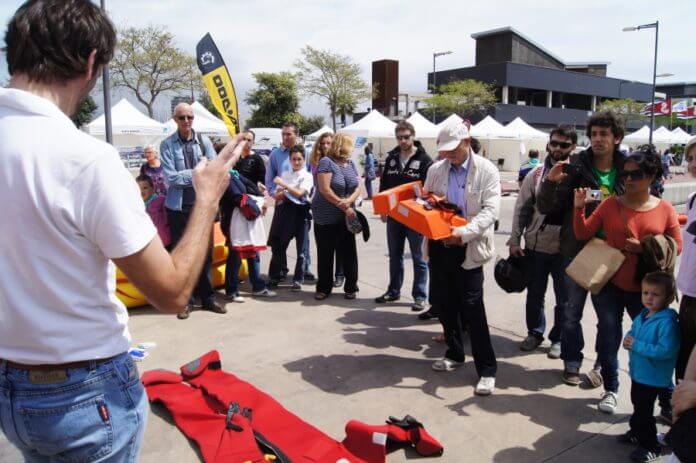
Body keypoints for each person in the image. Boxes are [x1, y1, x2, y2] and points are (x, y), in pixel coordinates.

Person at [0, 1, 243, 459]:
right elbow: (170, 293)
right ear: (91, 61)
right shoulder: (84, 158)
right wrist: (208, 197)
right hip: (83, 392)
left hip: (10, 387)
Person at [573, 146, 682, 414]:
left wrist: (644, 246)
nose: (629, 179)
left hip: (648, 293)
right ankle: (611, 389)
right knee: (609, 338)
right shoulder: (611, 204)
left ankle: (666, 398)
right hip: (609, 284)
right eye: (625, 174)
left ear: (652, 174)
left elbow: (676, 246)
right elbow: (582, 233)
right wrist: (579, 209)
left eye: (636, 174)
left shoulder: (665, 209)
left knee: (653, 345)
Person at [537, 110, 628, 389]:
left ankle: (602, 364)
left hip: (611, 253)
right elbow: (546, 206)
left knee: (609, 318)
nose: (598, 139)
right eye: (594, 134)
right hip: (577, 249)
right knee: (571, 312)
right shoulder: (576, 166)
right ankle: (572, 362)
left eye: (604, 134)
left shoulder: (628, 168)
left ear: (617, 138)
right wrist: (551, 182)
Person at [424, 120, 501, 396]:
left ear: (467, 142)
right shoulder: (436, 169)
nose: (449, 155)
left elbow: (490, 211)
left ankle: (487, 369)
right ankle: (455, 353)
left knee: (472, 308)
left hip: (468, 246)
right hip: (439, 245)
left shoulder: (487, 171)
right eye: (445, 151)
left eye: (454, 149)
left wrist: (463, 233)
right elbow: (427, 202)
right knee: (444, 304)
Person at [508, 126, 577, 357]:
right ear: (548, 145)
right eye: (554, 143)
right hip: (536, 246)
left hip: (565, 249)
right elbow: (522, 208)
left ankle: (557, 338)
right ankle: (535, 333)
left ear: (573, 148)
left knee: (564, 299)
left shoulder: (579, 174)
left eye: (564, 145)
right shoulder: (535, 174)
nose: (558, 148)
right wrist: (515, 240)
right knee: (535, 294)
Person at [160, 102, 226, 319]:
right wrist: (199, 172)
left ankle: (207, 298)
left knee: (206, 255)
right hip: (178, 208)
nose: (186, 121)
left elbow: (214, 170)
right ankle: (185, 301)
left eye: (190, 117)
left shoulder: (203, 141)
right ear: (174, 120)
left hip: (202, 207)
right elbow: (171, 178)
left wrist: (197, 173)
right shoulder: (167, 145)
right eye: (182, 118)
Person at [619, 272, 680, 463]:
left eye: (655, 294)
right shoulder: (644, 314)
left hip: (653, 376)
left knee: (644, 411)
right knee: (638, 405)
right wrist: (629, 337)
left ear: (668, 297)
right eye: (646, 293)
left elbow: (666, 351)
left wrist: (636, 344)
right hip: (640, 372)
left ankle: (650, 445)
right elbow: (634, 330)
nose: (649, 298)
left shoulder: (667, 323)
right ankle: (637, 432)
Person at [375, 121, 432, 311]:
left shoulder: (424, 159)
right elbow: (384, 185)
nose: (403, 141)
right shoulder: (392, 158)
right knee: (395, 256)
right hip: (394, 216)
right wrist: (383, 209)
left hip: (415, 217)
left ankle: (420, 295)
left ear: (413, 135)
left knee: (419, 257)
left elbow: (429, 189)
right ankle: (393, 291)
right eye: (399, 137)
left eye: (406, 137)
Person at [220, 154, 276, 302]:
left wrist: (261, 199)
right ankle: (232, 291)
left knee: (252, 253)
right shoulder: (226, 177)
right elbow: (238, 197)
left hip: (243, 220)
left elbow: (250, 187)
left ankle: (257, 286)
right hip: (234, 222)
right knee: (236, 256)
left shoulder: (234, 174)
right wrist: (258, 204)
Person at [311, 133, 361, 300]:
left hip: (346, 214)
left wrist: (348, 202)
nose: (352, 149)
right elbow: (324, 189)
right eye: (350, 145)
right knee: (326, 252)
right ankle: (324, 288)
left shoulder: (350, 163)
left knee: (349, 252)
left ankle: (351, 286)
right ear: (343, 145)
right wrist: (343, 205)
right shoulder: (326, 162)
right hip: (326, 215)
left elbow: (358, 187)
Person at [266, 122, 315, 284]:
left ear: (297, 135)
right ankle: (280, 271)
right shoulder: (275, 155)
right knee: (279, 242)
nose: (285, 137)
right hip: (283, 204)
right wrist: (276, 196)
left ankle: (303, 271)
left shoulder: (307, 154)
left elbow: (311, 178)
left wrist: (308, 197)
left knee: (303, 243)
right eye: (283, 134)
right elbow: (270, 181)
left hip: (301, 206)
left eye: (289, 134)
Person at [310, 132, 345, 288]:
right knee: (324, 248)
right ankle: (326, 280)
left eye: (329, 143)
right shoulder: (316, 162)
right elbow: (320, 188)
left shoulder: (342, 161)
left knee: (340, 245)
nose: (325, 146)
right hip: (322, 208)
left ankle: (339, 274)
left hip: (338, 207)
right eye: (323, 143)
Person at [676, 138, 696, 382]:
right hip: (689, 291)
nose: (693, 164)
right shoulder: (692, 198)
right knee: (684, 355)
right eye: (690, 159)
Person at [137, 174, 170, 248]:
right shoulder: (137, 205)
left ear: (153, 188)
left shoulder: (161, 200)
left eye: (145, 188)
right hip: (148, 242)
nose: (141, 191)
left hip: (163, 240)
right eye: (138, 189)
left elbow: (168, 219)